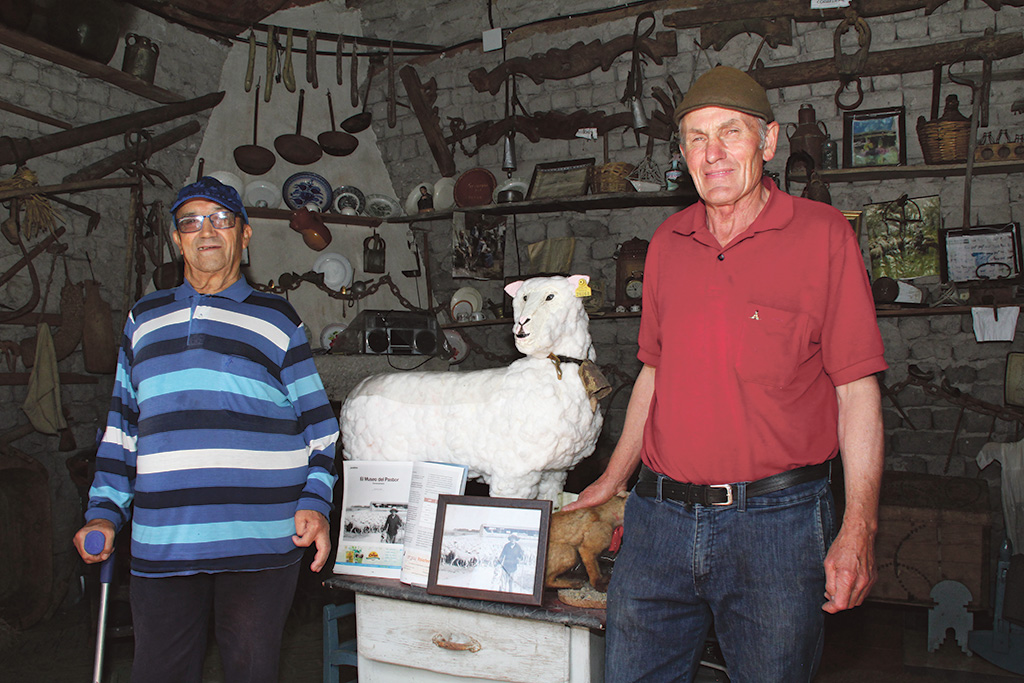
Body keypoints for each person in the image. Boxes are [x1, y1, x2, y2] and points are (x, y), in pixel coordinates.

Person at [564, 66, 887, 682]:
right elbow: (654, 374)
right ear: (682, 154)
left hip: (777, 525)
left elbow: (856, 390)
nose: (712, 153)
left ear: (768, 142)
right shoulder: (667, 241)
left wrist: (859, 527)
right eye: (696, 137)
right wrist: (612, 476)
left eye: (730, 132)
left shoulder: (823, 237)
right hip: (659, 520)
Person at [72, 176, 340, 683]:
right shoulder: (143, 319)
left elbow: (322, 430)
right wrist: (103, 513)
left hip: (260, 540)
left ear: (244, 233)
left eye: (221, 219)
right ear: (178, 240)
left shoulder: (277, 320)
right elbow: (122, 429)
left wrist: (315, 503)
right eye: (191, 222)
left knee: (251, 672)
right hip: (164, 539)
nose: (207, 231)